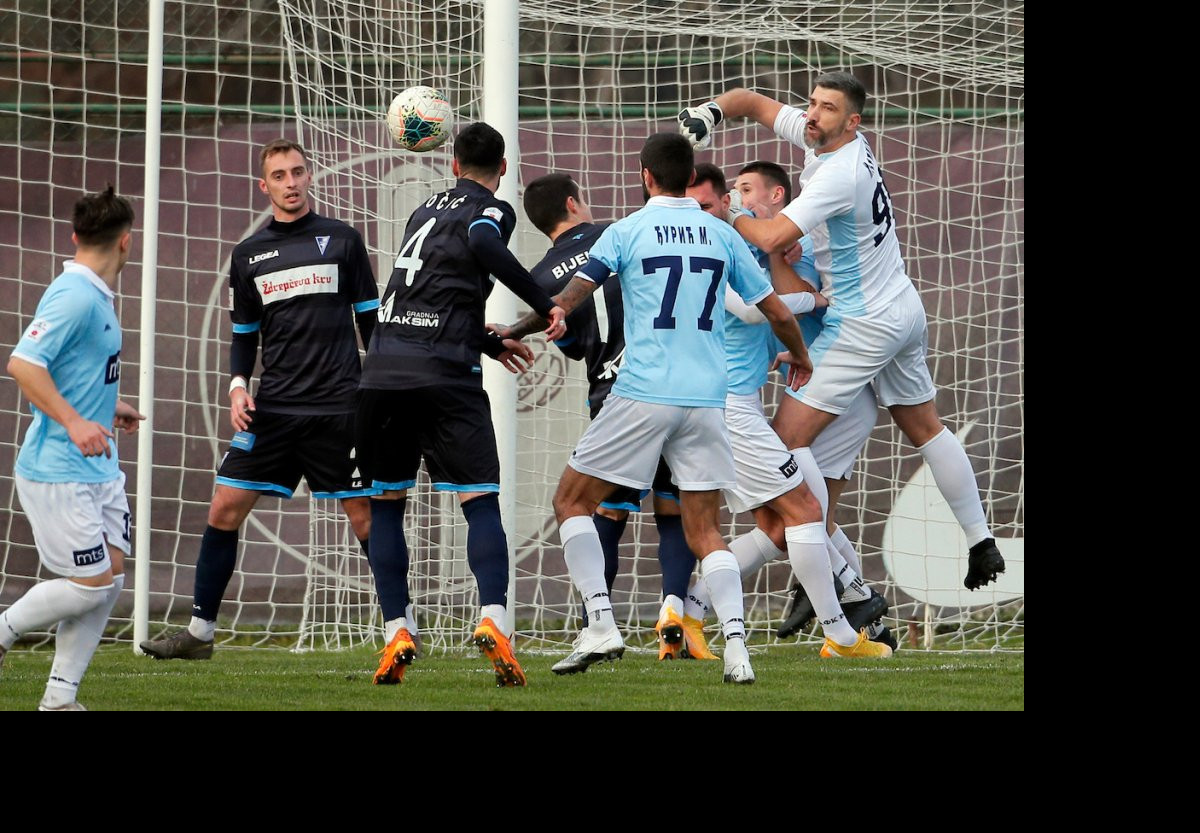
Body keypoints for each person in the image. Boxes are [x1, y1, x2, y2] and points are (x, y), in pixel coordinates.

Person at [497, 133, 815, 684]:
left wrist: (516, 328)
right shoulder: (722, 233)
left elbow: (568, 299)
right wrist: (801, 356)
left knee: (571, 501)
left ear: (646, 176)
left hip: (642, 393)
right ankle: (737, 652)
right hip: (708, 400)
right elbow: (777, 311)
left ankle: (600, 622)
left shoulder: (626, 230)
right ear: (689, 175)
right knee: (704, 529)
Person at [678, 73, 1006, 591]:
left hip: (861, 321)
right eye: (811, 103)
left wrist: (730, 212)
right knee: (925, 428)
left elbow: (770, 234)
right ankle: (980, 540)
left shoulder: (839, 174)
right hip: (901, 304)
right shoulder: (826, 138)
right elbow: (753, 102)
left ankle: (832, 577)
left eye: (827, 108)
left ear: (852, 122)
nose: (812, 114)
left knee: (785, 442)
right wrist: (710, 111)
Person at [140, 139, 382, 660]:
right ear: (264, 185)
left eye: (297, 172)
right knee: (224, 507)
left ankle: (398, 629)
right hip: (272, 409)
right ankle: (200, 634)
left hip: (339, 406)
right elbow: (244, 334)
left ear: (308, 176)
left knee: (363, 514)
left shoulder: (342, 240)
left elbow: (370, 322)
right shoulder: (249, 254)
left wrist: (380, 387)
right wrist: (236, 386)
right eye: (279, 175)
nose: (290, 183)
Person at [356, 122, 564, 687]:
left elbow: (429, 296)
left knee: (386, 505)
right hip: (442, 376)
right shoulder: (491, 209)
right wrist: (546, 304)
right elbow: (481, 243)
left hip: (381, 370)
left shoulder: (422, 211)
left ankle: (397, 626)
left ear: (451, 165)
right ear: (502, 170)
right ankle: (494, 619)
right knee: (478, 500)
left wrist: (490, 341)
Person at [680, 163, 890, 658]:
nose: (728, 203)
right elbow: (758, 308)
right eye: (721, 199)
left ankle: (688, 610)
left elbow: (792, 301)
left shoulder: (784, 247)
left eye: (735, 194)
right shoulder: (716, 249)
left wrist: (797, 283)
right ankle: (844, 624)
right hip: (727, 405)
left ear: (777, 199)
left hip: (761, 400)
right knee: (806, 511)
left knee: (781, 526)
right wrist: (813, 300)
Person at [521, 172, 713, 662]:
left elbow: (567, 340)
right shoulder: (622, 232)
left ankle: (598, 622)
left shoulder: (543, 277)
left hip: (616, 393)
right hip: (675, 384)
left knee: (601, 507)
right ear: (574, 202)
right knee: (673, 504)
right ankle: (674, 609)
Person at [1, 186, 144, 710]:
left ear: (75, 235)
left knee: (109, 578)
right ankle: (4, 630)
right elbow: (23, 364)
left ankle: (60, 700)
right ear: (127, 243)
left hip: (97, 466)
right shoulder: (74, 294)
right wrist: (75, 420)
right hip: (58, 469)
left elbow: (73, 372)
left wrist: (108, 409)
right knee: (88, 585)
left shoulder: (95, 294)